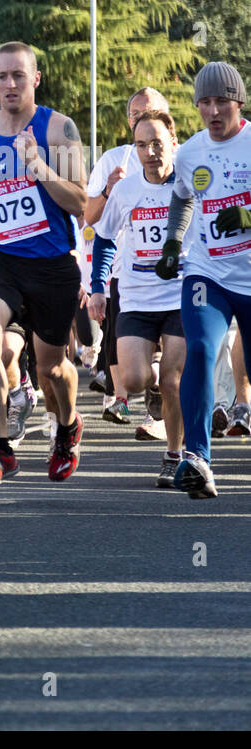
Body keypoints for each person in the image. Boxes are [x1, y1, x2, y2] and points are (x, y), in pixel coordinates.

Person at [0, 42, 87, 486]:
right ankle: (1, 447)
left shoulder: (59, 129)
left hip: (51, 263)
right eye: (1, 77)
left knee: (52, 368)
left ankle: (68, 428)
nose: (10, 84)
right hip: (0, 258)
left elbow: (81, 203)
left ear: (35, 79)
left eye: (18, 76)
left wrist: (41, 169)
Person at [155, 61, 251, 498]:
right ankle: (197, 459)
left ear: (239, 102)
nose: (213, 111)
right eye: (205, 102)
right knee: (199, 347)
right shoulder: (190, 152)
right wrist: (173, 243)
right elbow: (182, 200)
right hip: (207, 271)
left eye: (222, 101)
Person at [90, 109, 188, 487]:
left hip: (179, 295)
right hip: (135, 297)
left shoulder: (188, 185)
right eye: (142, 144)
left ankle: (174, 454)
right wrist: (99, 286)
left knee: (173, 381)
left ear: (173, 144)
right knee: (132, 379)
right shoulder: (127, 189)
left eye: (157, 143)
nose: (150, 152)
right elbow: (104, 236)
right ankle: (151, 382)